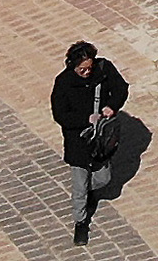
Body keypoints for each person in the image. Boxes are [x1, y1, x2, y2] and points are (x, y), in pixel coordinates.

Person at [50, 41, 129, 244]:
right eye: (81, 69)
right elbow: (60, 115)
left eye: (89, 68)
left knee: (103, 178)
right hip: (78, 141)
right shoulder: (63, 82)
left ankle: (87, 193)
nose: (86, 72)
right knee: (78, 187)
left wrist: (112, 106)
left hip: (100, 139)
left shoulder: (103, 69)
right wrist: (87, 119)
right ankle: (80, 223)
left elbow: (120, 88)